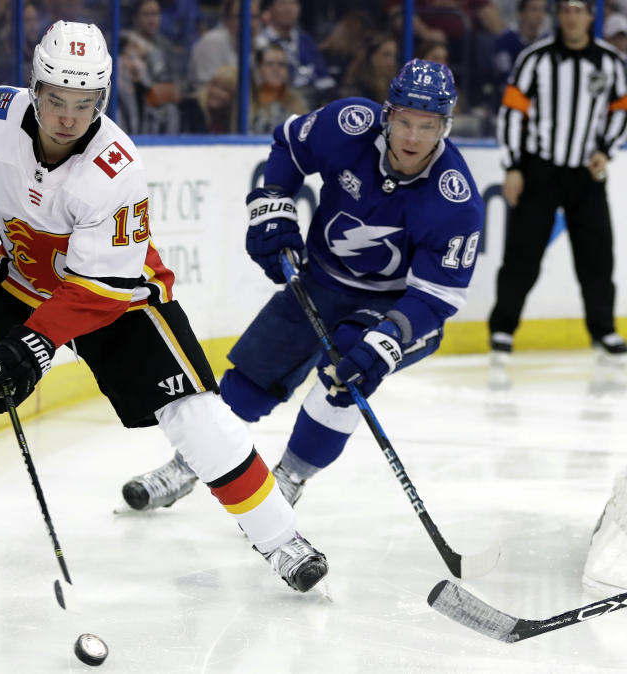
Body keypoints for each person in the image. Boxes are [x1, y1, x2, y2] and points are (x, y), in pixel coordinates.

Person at [0, 20, 328, 595]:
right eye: (56, 100)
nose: (68, 118)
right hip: (23, 281)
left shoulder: (117, 168)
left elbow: (98, 289)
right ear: (34, 88)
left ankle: (282, 540)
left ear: (101, 98)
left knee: (195, 416)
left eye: (85, 104)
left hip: (120, 298)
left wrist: (33, 344)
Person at [123, 59, 484, 514]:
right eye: (405, 122)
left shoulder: (456, 200)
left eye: (427, 127)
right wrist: (273, 202)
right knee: (254, 375)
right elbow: (289, 148)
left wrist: (390, 339)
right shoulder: (349, 124)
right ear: (387, 114)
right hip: (321, 279)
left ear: (445, 127)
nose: (413, 138)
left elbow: (437, 296)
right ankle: (184, 468)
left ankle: (288, 480)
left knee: (348, 372)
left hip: (396, 305)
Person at [489, 0, 627, 365]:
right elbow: (512, 112)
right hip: (540, 171)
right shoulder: (535, 59)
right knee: (522, 254)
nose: (572, 16)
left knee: (597, 257)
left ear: (590, 16)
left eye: (579, 10)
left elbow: (621, 108)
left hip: (586, 173)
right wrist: (514, 166)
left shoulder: (612, 62)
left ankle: (603, 330)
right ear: (558, 15)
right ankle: (502, 329)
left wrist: (605, 150)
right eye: (565, 9)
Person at [249, 42, 308, 134]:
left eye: (281, 64)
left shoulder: (297, 102)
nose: (275, 69)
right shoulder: (247, 101)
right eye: (269, 64)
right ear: (259, 69)